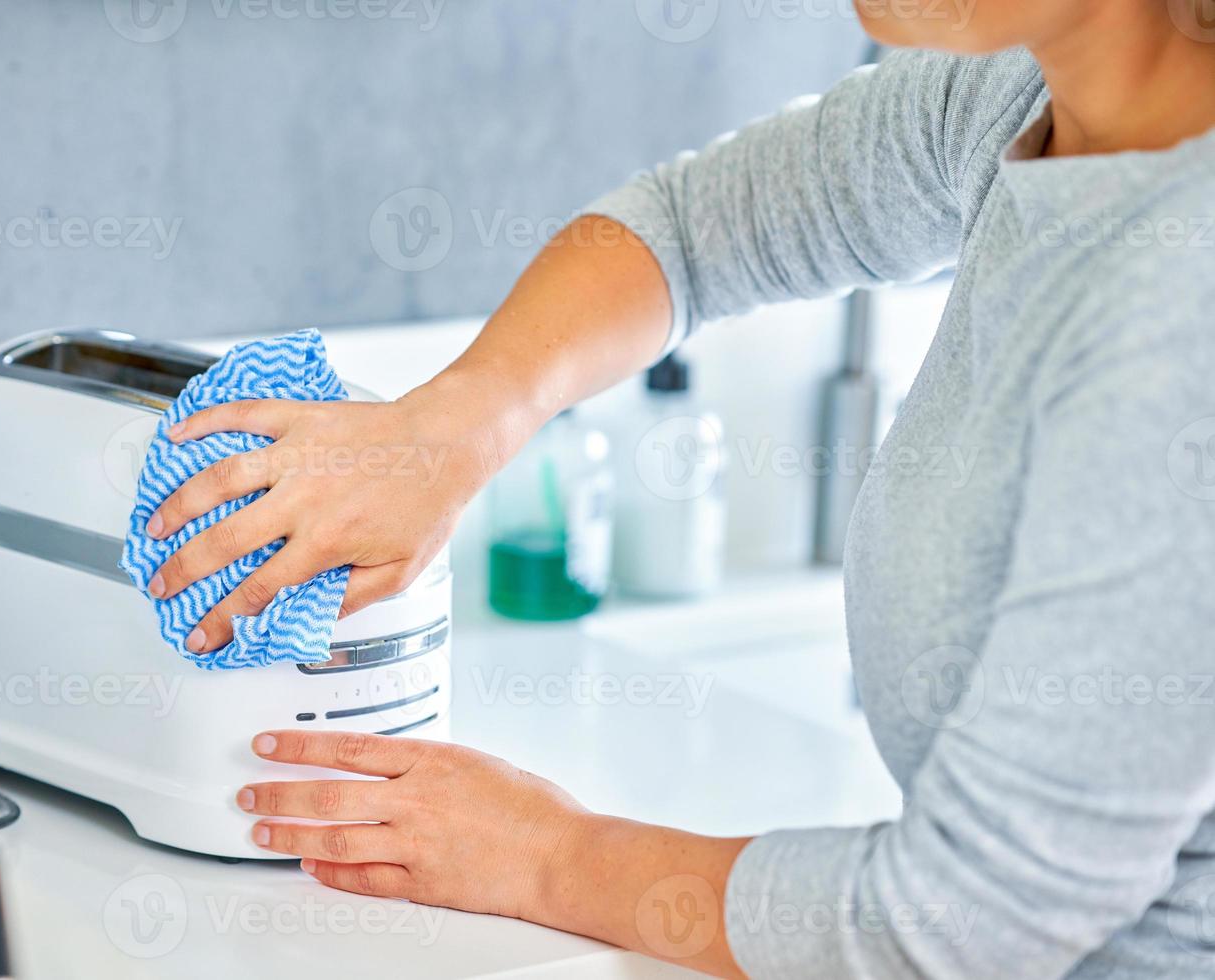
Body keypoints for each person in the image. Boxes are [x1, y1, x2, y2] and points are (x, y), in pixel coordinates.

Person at [140, 2, 1215, 976]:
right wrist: (453, 423)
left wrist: (553, 857)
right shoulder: (1022, 98)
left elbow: (964, 922)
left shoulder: (1182, 311)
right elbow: (696, 230)